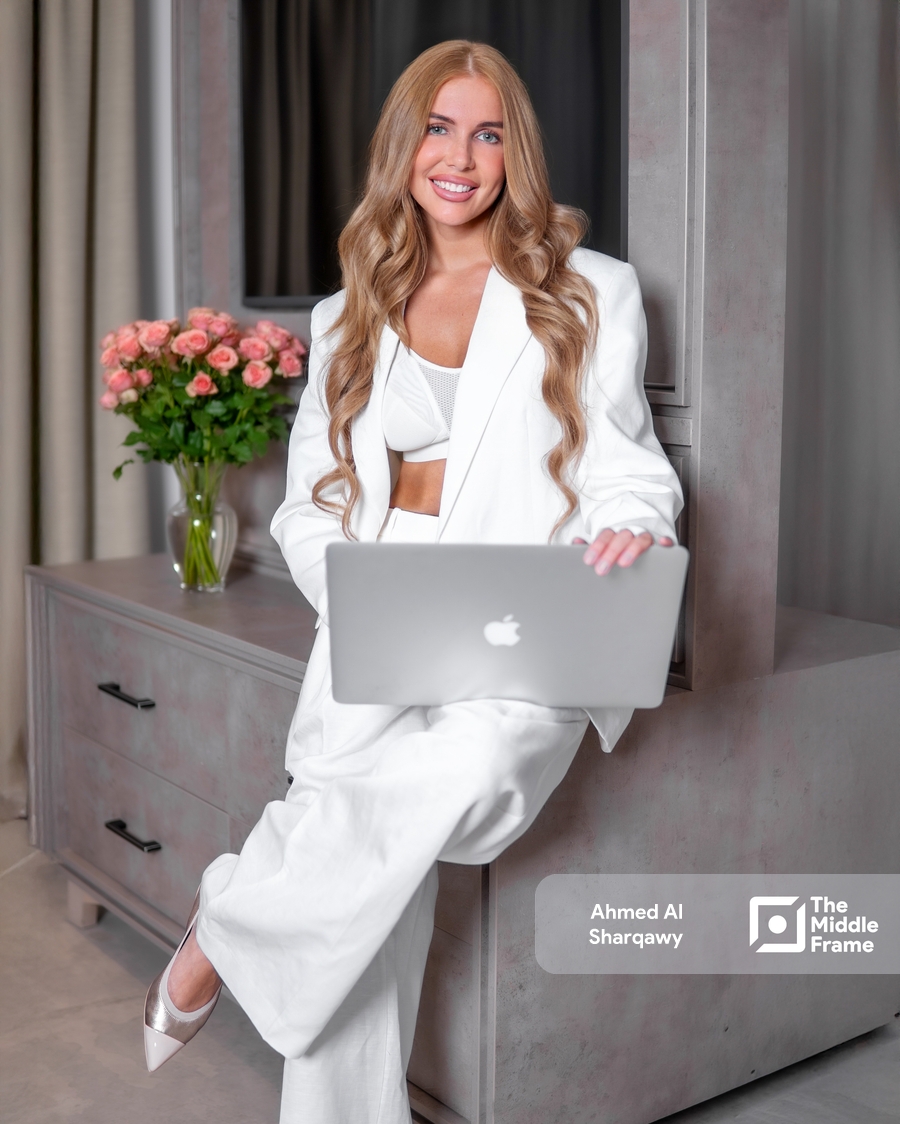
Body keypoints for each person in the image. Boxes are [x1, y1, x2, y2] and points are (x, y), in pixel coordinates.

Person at [143, 39, 683, 1124]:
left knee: (473, 760)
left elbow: (628, 466)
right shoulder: (353, 310)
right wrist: (352, 590)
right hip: (380, 607)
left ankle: (227, 924)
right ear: (405, 146)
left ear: (513, 153)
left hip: (523, 615)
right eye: (439, 128)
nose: (462, 157)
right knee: (370, 897)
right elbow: (308, 500)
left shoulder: (588, 290)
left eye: (488, 133)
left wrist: (630, 526)